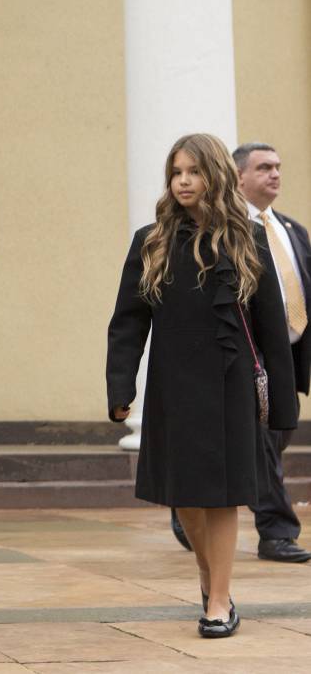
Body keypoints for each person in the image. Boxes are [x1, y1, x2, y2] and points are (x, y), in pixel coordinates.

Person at [107, 133, 298, 638]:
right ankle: (209, 576)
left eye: (193, 171)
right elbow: (128, 322)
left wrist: (283, 402)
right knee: (185, 498)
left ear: (214, 176)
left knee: (223, 496)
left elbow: (272, 328)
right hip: (173, 385)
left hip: (230, 385)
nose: (184, 181)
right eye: (176, 172)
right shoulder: (150, 241)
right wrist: (120, 386)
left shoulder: (247, 239)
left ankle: (218, 601)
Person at [170, 143, 311, 563]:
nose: (275, 174)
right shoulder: (224, 230)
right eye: (264, 167)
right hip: (243, 353)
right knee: (264, 442)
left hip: (286, 355)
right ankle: (277, 530)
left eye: (278, 167)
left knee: (275, 437)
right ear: (238, 176)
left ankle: (190, 501)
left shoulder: (291, 229)